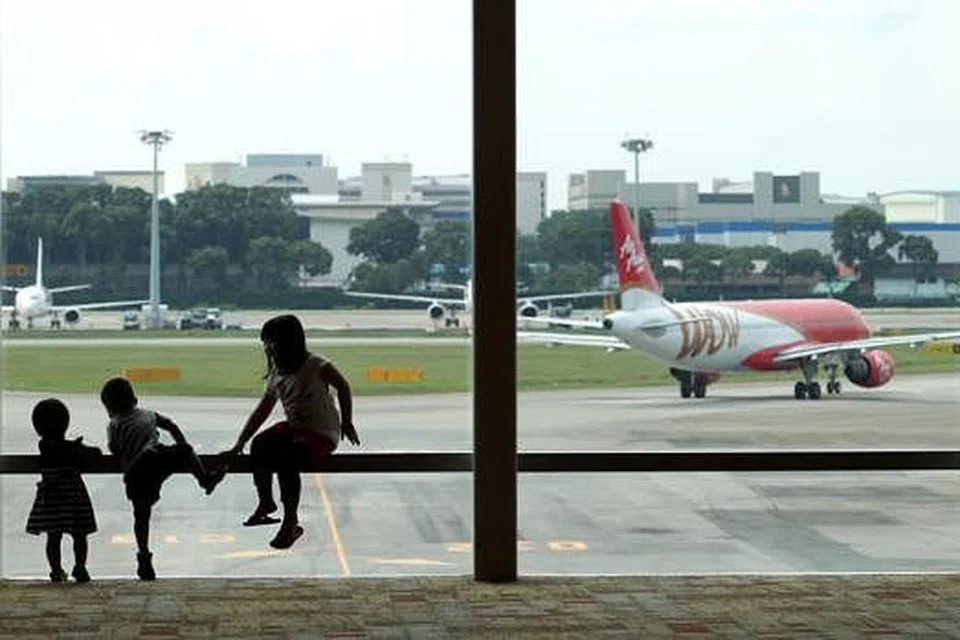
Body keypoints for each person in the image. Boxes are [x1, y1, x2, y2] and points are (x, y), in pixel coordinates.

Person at [222, 314, 360, 550]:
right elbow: (261, 411)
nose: (267, 347)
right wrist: (240, 443)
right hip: (296, 431)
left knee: (287, 457)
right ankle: (266, 502)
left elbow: (343, 386)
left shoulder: (316, 365)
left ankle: (290, 522)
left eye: (271, 341)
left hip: (320, 433)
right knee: (261, 444)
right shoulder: (277, 374)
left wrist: (346, 421)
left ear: (288, 342)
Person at [100, 377, 225, 580]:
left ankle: (144, 557)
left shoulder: (114, 424)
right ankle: (204, 479)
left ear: (109, 407)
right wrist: (183, 447)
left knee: (141, 517)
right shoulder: (148, 415)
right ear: (135, 399)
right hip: (158, 459)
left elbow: (115, 449)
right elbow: (171, 426)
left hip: (136, 473)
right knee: (185, 450)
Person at [26, 398, 101, 583]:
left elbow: (59, 449)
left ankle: (56, 570)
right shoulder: (63, 447)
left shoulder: (45, 445)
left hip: (53, 497)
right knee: (80, 533)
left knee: (54, 535)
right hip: (74, 494)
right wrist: (77, 447)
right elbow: (95, 453)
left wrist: (75, 448)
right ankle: (80, 567)